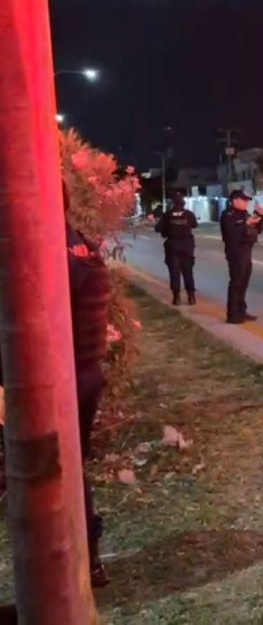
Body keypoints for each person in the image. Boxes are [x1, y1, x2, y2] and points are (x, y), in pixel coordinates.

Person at [0, 183, 112, 586]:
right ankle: (84, 560)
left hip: (56, 379)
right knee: (67, 468)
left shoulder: (46, 251)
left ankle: (69, 565)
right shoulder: (78, 244)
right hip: (79, 373)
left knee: (54, 470)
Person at [220, 190, 263, 324]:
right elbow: (231, 233)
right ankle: (232, 315)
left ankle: (241, 311)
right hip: (235, 252)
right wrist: (246, 223)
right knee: (236, 283)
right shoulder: (228, 215)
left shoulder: (245, 214)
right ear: (234, 200)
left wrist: (260, 217)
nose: (246, 203)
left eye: (247, 200)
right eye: (243, 200)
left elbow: (257, 229)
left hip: (246, 251)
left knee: (244, 283)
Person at [155, 191, 198, 305]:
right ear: (183, 203)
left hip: (172, 245)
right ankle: (191, 297)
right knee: (188, 271)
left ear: (172, 203)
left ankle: (176, 298)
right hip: (187, 245)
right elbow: (194, 224)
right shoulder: (189, 214)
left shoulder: (167, 215)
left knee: (174, 271)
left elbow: (158, 228)